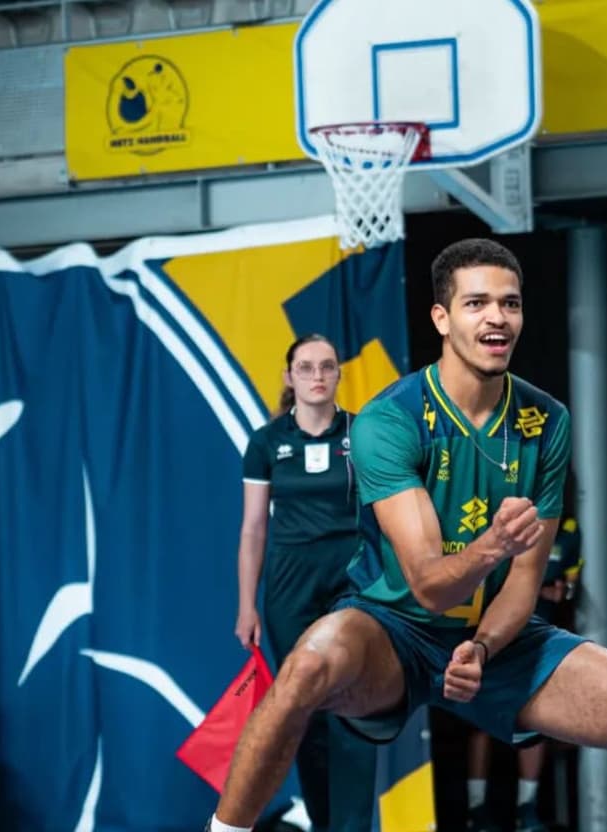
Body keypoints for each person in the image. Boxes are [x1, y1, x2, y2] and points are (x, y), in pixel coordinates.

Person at [207, 238, 607, 832]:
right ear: (442, 319)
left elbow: (525, 584)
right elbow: (426, 586)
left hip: (499, 644)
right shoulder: (388, 421)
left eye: (510, 303)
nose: (497, 316)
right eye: (476, 303)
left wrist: (485, 646)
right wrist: (492, 545)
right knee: (305, 671)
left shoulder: (545, 421)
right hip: (392, 631)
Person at [233, 333, 376, 832]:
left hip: (351, 584)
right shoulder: (267, 442)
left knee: (356, 708)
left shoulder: (362, 434)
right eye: (307, 368)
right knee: (305, 711)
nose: (317, 376)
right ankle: (323, 821)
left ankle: (356, 825)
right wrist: (246, 607)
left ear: (338, 375)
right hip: (289, 589)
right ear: (290, 377)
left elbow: (387, 513)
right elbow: (254, 528)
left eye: (327, 367)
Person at [466, 482, 582, 832]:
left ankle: (526, 809)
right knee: (481, 724)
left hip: (536, 642)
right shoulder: (505, 523)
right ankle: (476, 810)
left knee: (532, 724)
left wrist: (561, 590)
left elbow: (570, 584)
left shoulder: (571, 533)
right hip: (491, 639)